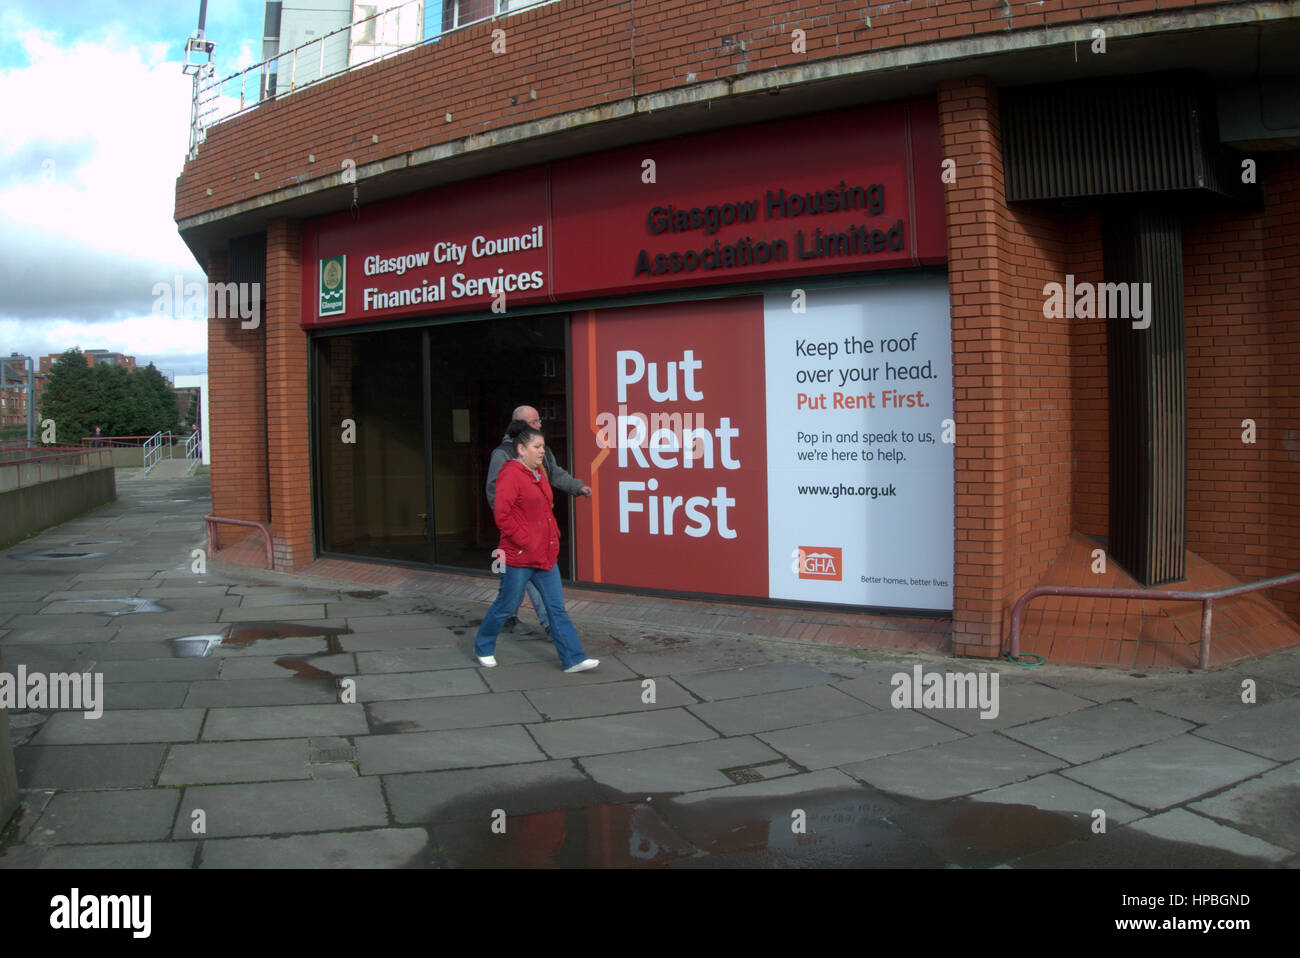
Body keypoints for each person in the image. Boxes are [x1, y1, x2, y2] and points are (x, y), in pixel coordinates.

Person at [475, 425, 598, 673]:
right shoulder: (510, 474)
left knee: (556, 608)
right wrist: (526, 541)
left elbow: (544, 512)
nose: (542, 451)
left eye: (543, 446)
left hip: (544, 555)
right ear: (521, 449)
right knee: (506, 605)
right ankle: (483, 647)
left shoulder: (539, 473)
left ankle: (573, 658)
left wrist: (551, 537)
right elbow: (502, 515)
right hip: (519, 557)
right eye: (537, 447)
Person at [485, 405, 591, 636]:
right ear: (521, 425)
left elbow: (554, 473)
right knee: (527, 575)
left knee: (516, 579)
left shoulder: (539, 450)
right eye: (535, 421)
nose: (540, 424)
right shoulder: (503, 454)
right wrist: (514, 529)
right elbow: (495, 494)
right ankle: (550, 627)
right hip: (520, 533)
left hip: (539, 531)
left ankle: (507, 617)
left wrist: (576, 487)